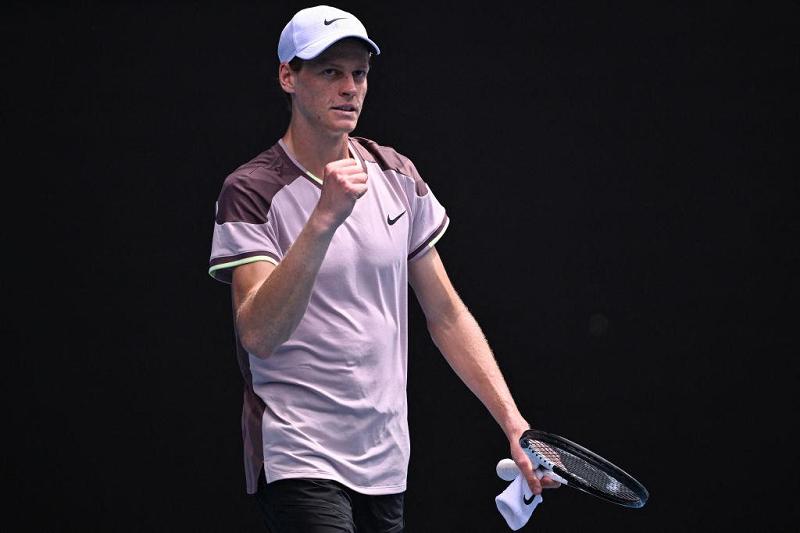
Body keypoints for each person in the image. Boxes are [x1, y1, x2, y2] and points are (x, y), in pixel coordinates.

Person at [209, 5, 559, 531]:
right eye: (330, 72)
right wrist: (323, 218)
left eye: (359, 73)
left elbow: (446, 314)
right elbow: (258, 333)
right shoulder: (251, 191)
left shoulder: (397, 175)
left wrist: (515, 425)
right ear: (288, 77)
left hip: (386, 461)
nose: (349, 88)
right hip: (297, 453)